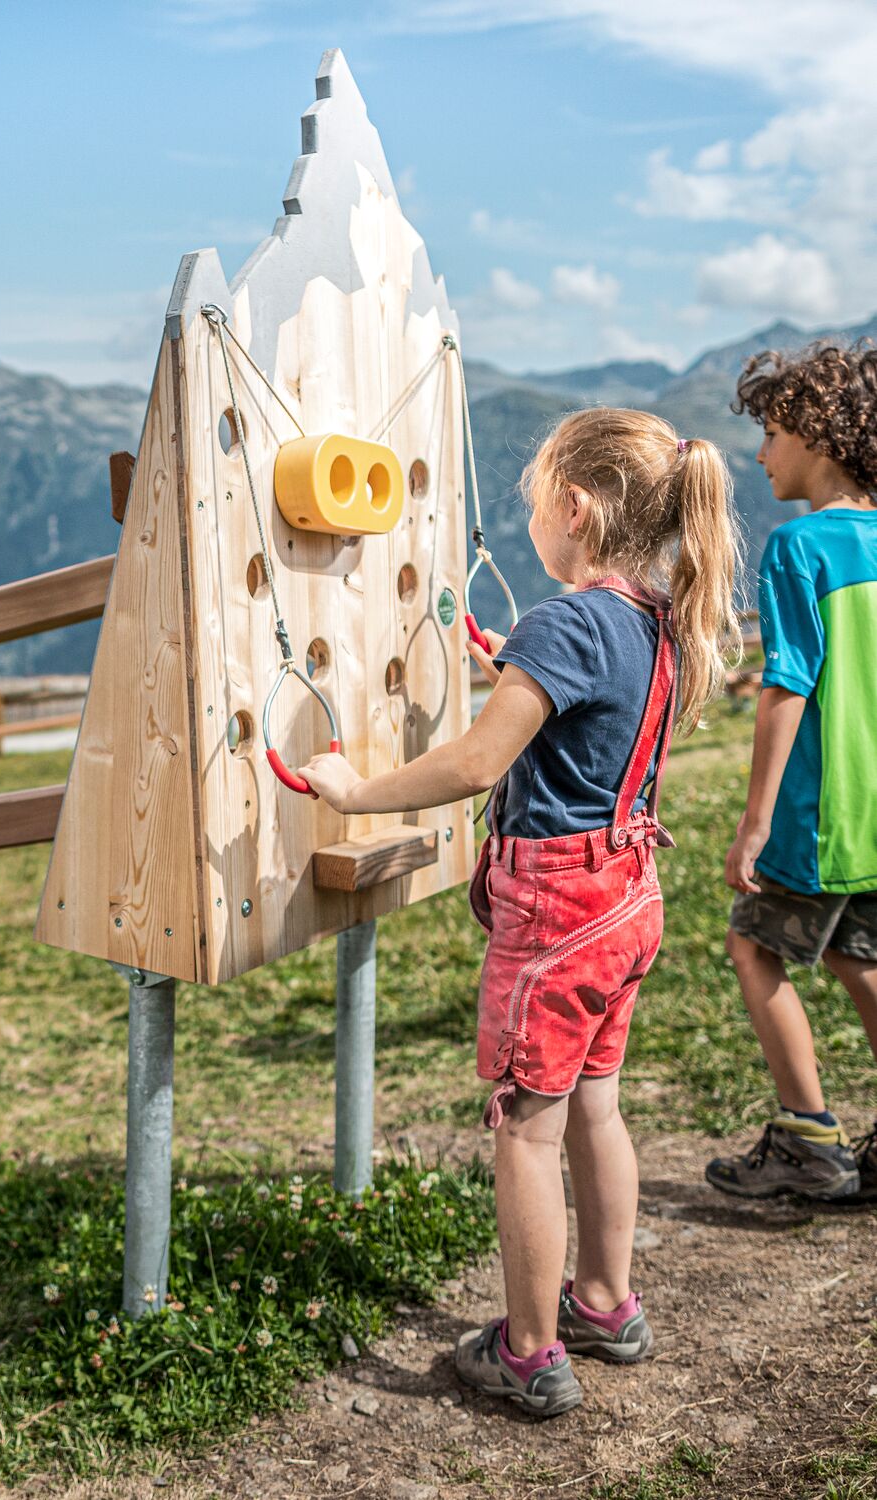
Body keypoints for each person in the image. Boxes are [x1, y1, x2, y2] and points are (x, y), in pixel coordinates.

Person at [300, 409, 741, 1417]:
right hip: (628, 896)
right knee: (595, 1104)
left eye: (535, 501)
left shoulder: (565, 625)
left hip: (557, 908)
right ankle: (603, 1302)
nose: (531, 518)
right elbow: (596, 733)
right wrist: (524, 668)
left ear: (574, 510)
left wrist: (352, 791)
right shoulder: (655, 620)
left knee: (525, 1134)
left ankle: (531, 1350)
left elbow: (473, 762)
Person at [705, 343, 877, 1202]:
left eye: (771, 433)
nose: (762, 453)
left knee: (753, 945)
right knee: (860, 960)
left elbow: (788, 687)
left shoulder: (799, 547)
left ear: (817, 436)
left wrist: (756, 819)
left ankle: (811, 1137)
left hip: (821, 813)